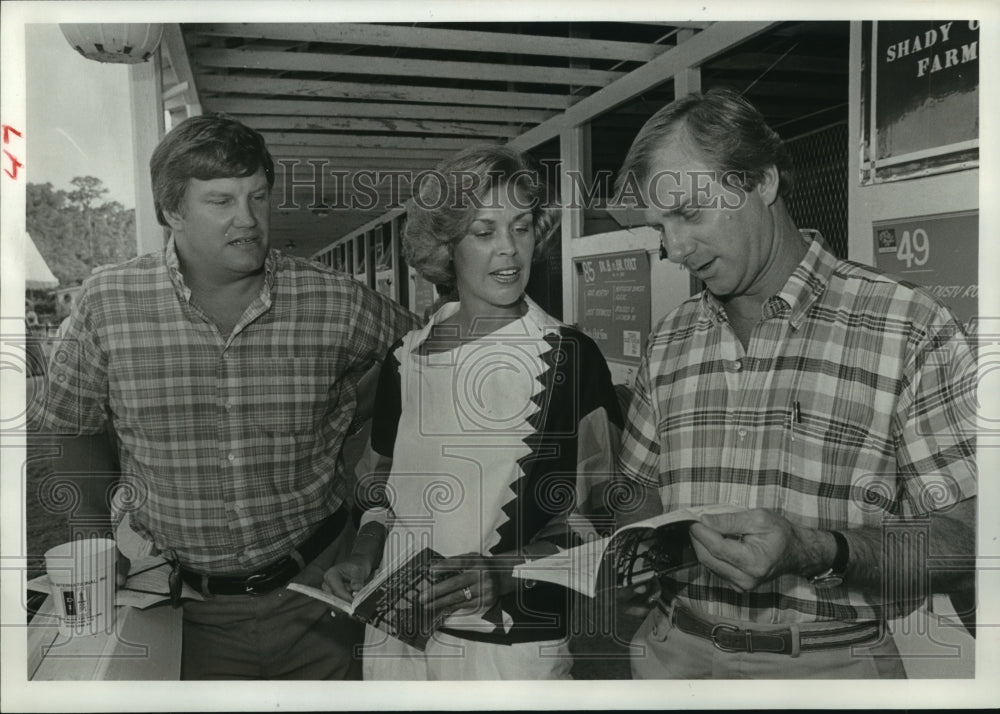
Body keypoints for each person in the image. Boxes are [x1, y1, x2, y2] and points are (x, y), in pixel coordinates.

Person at [36, 113, 419, 679]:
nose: (248, 220)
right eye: (221, 201)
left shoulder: (335, 300)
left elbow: (426, 359)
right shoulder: (107, 301)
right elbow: (71, 426)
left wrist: (359, 423)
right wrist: (95, 542)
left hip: (322, 595)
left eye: (258, 197)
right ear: (173, 212)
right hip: (177, 611)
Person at [613, 88, 977, 679]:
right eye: (660, 227)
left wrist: (818, 551)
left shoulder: (908, 327)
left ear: (762, 180)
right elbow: (634, 489)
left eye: (688, 213)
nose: (674, 249)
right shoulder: (668, 340)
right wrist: (629, 553)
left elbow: (966, 542)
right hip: (670, 654)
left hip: (828, 666)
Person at [324, 145, 623, 680]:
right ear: (446, 244)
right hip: (396, 644)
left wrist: (504, 571)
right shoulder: (404, 360)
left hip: (507, 656)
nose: (509, 250)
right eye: (484, 232)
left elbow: (606, 511)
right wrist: (364, 553)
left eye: (522, 227)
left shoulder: (568, 359)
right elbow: (381, 492)